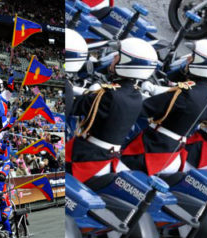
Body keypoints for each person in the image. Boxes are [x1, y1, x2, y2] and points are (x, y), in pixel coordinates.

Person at [121, 39, 207, 176]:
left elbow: (143, 109)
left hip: (154, 150)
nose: (188, 58)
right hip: (175, 154)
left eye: (193, 57)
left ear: (201, 64)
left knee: (119, 165)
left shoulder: (184, 94)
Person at [66, 30, 156, 183]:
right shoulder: (136, 95)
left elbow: (72, 107)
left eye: (118, 56)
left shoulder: (109, 95)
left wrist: (68, 87)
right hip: (108, 156)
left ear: (127, 64)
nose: (114, 57)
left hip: (88, 156)